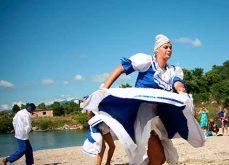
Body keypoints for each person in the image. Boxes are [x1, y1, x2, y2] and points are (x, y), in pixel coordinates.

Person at [80, 34, 204, 165]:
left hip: (159, 116)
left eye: (171, 48)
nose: (169, 50)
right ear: (157, 50)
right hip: (144, 115)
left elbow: (177, 83)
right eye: (165, 47)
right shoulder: (146, 61)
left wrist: (181, 92)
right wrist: (103, 91)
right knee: (157, 158)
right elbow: (120, 69)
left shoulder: (172, 71)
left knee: (160, 159)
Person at [80, 96, 115, 165]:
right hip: (97, 127)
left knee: (111, 146)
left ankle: (107, 163)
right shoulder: (89, 108)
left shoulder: (98, 104)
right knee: (103, 147)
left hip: (103, 126)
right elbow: (89, 119)